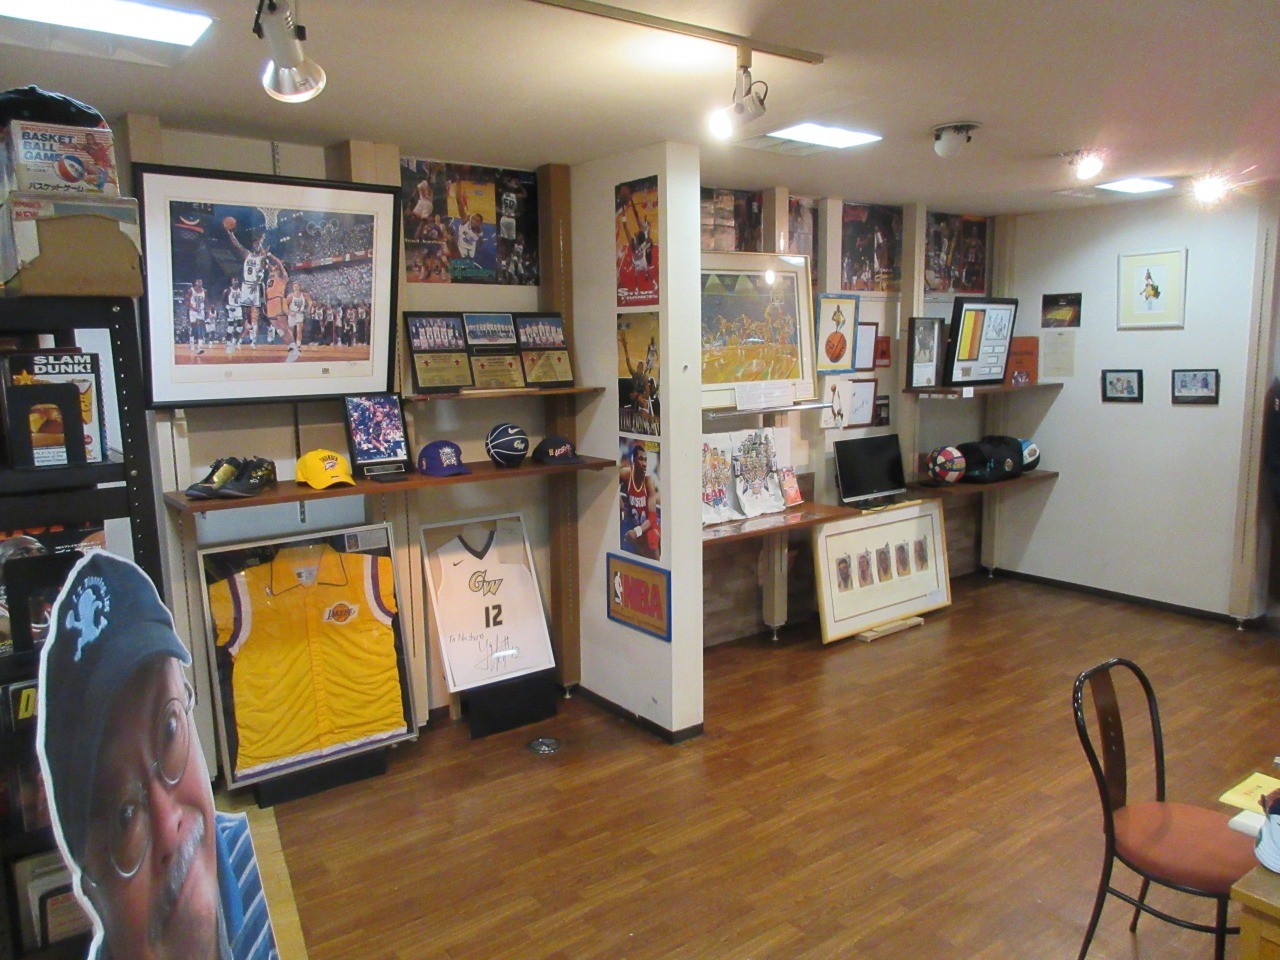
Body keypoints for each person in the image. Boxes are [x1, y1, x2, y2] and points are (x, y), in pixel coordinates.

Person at [37, 551, 279, 960]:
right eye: (124, 815)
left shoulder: (261, 867)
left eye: (168, 730)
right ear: (89, 881)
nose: (168, 826)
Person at [619, 441, 659, 560]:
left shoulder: (649, 481)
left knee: (652, 537)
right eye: (641, 459)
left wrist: (637, 531)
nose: (644, 464)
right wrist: (619, 502)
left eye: (645, 460)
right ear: (634, 461)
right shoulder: (625, 473)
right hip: (633, 524)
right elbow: (611, 484)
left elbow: (652, 518)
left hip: (647, 527)